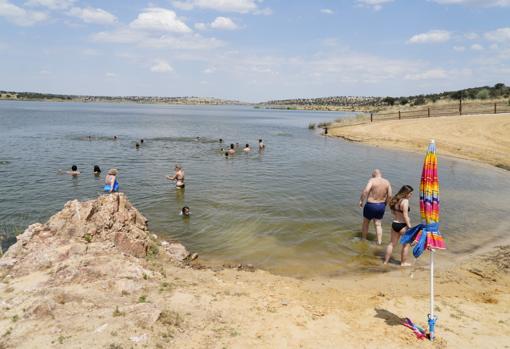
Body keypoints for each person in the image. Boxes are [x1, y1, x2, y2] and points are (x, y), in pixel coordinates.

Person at [359, 169, 392, 245]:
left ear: (373, 174)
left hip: (371, 205)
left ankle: (364, 239)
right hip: (381, 205)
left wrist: (361, 200)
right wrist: (385, 204)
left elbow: (366, 191)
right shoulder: (387, 182)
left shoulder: (372, 180)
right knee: (378, 224)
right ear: (380, 174)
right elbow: (390, 195)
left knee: (366, 222)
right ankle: (379, 242)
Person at [384, 185, 413, 266]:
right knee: (406, 245)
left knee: (391, 244)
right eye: (410, 193)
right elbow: (405, 215)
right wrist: (410, 227)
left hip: (395, 223)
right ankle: (403, 263)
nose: (411, 195)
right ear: (406, 193)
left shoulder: (396, 200)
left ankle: (385, 262)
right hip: (403, 225)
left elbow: (393, 212)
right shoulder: (405, 201)